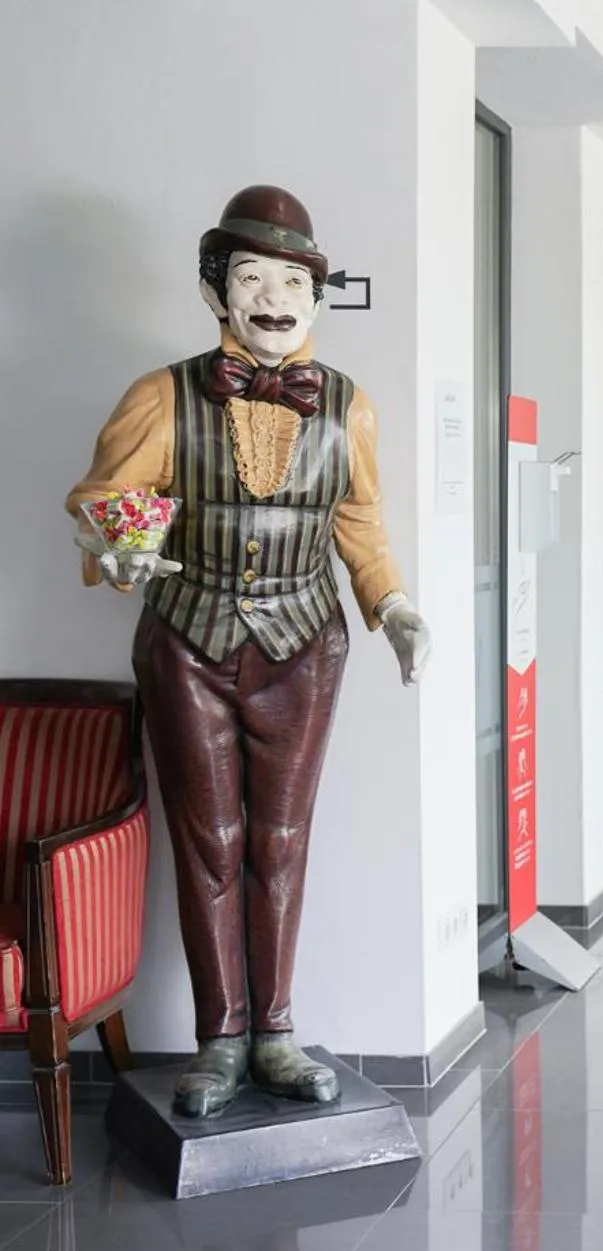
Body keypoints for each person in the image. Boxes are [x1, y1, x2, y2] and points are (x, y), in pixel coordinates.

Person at [66, 186, 432, 1118]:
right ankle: (219, 1039)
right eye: (252, 278)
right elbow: (108, 502)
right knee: (210, 842)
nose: (273, 297)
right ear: (215, 293)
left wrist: (393, 608)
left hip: (304, 644)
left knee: (280, 840)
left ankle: (276, 1033)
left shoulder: (348, 406)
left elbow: (359, 523)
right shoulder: (161, 394)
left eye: (291, 281)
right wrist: (118, 543)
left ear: (316, 296)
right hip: (188, 639)